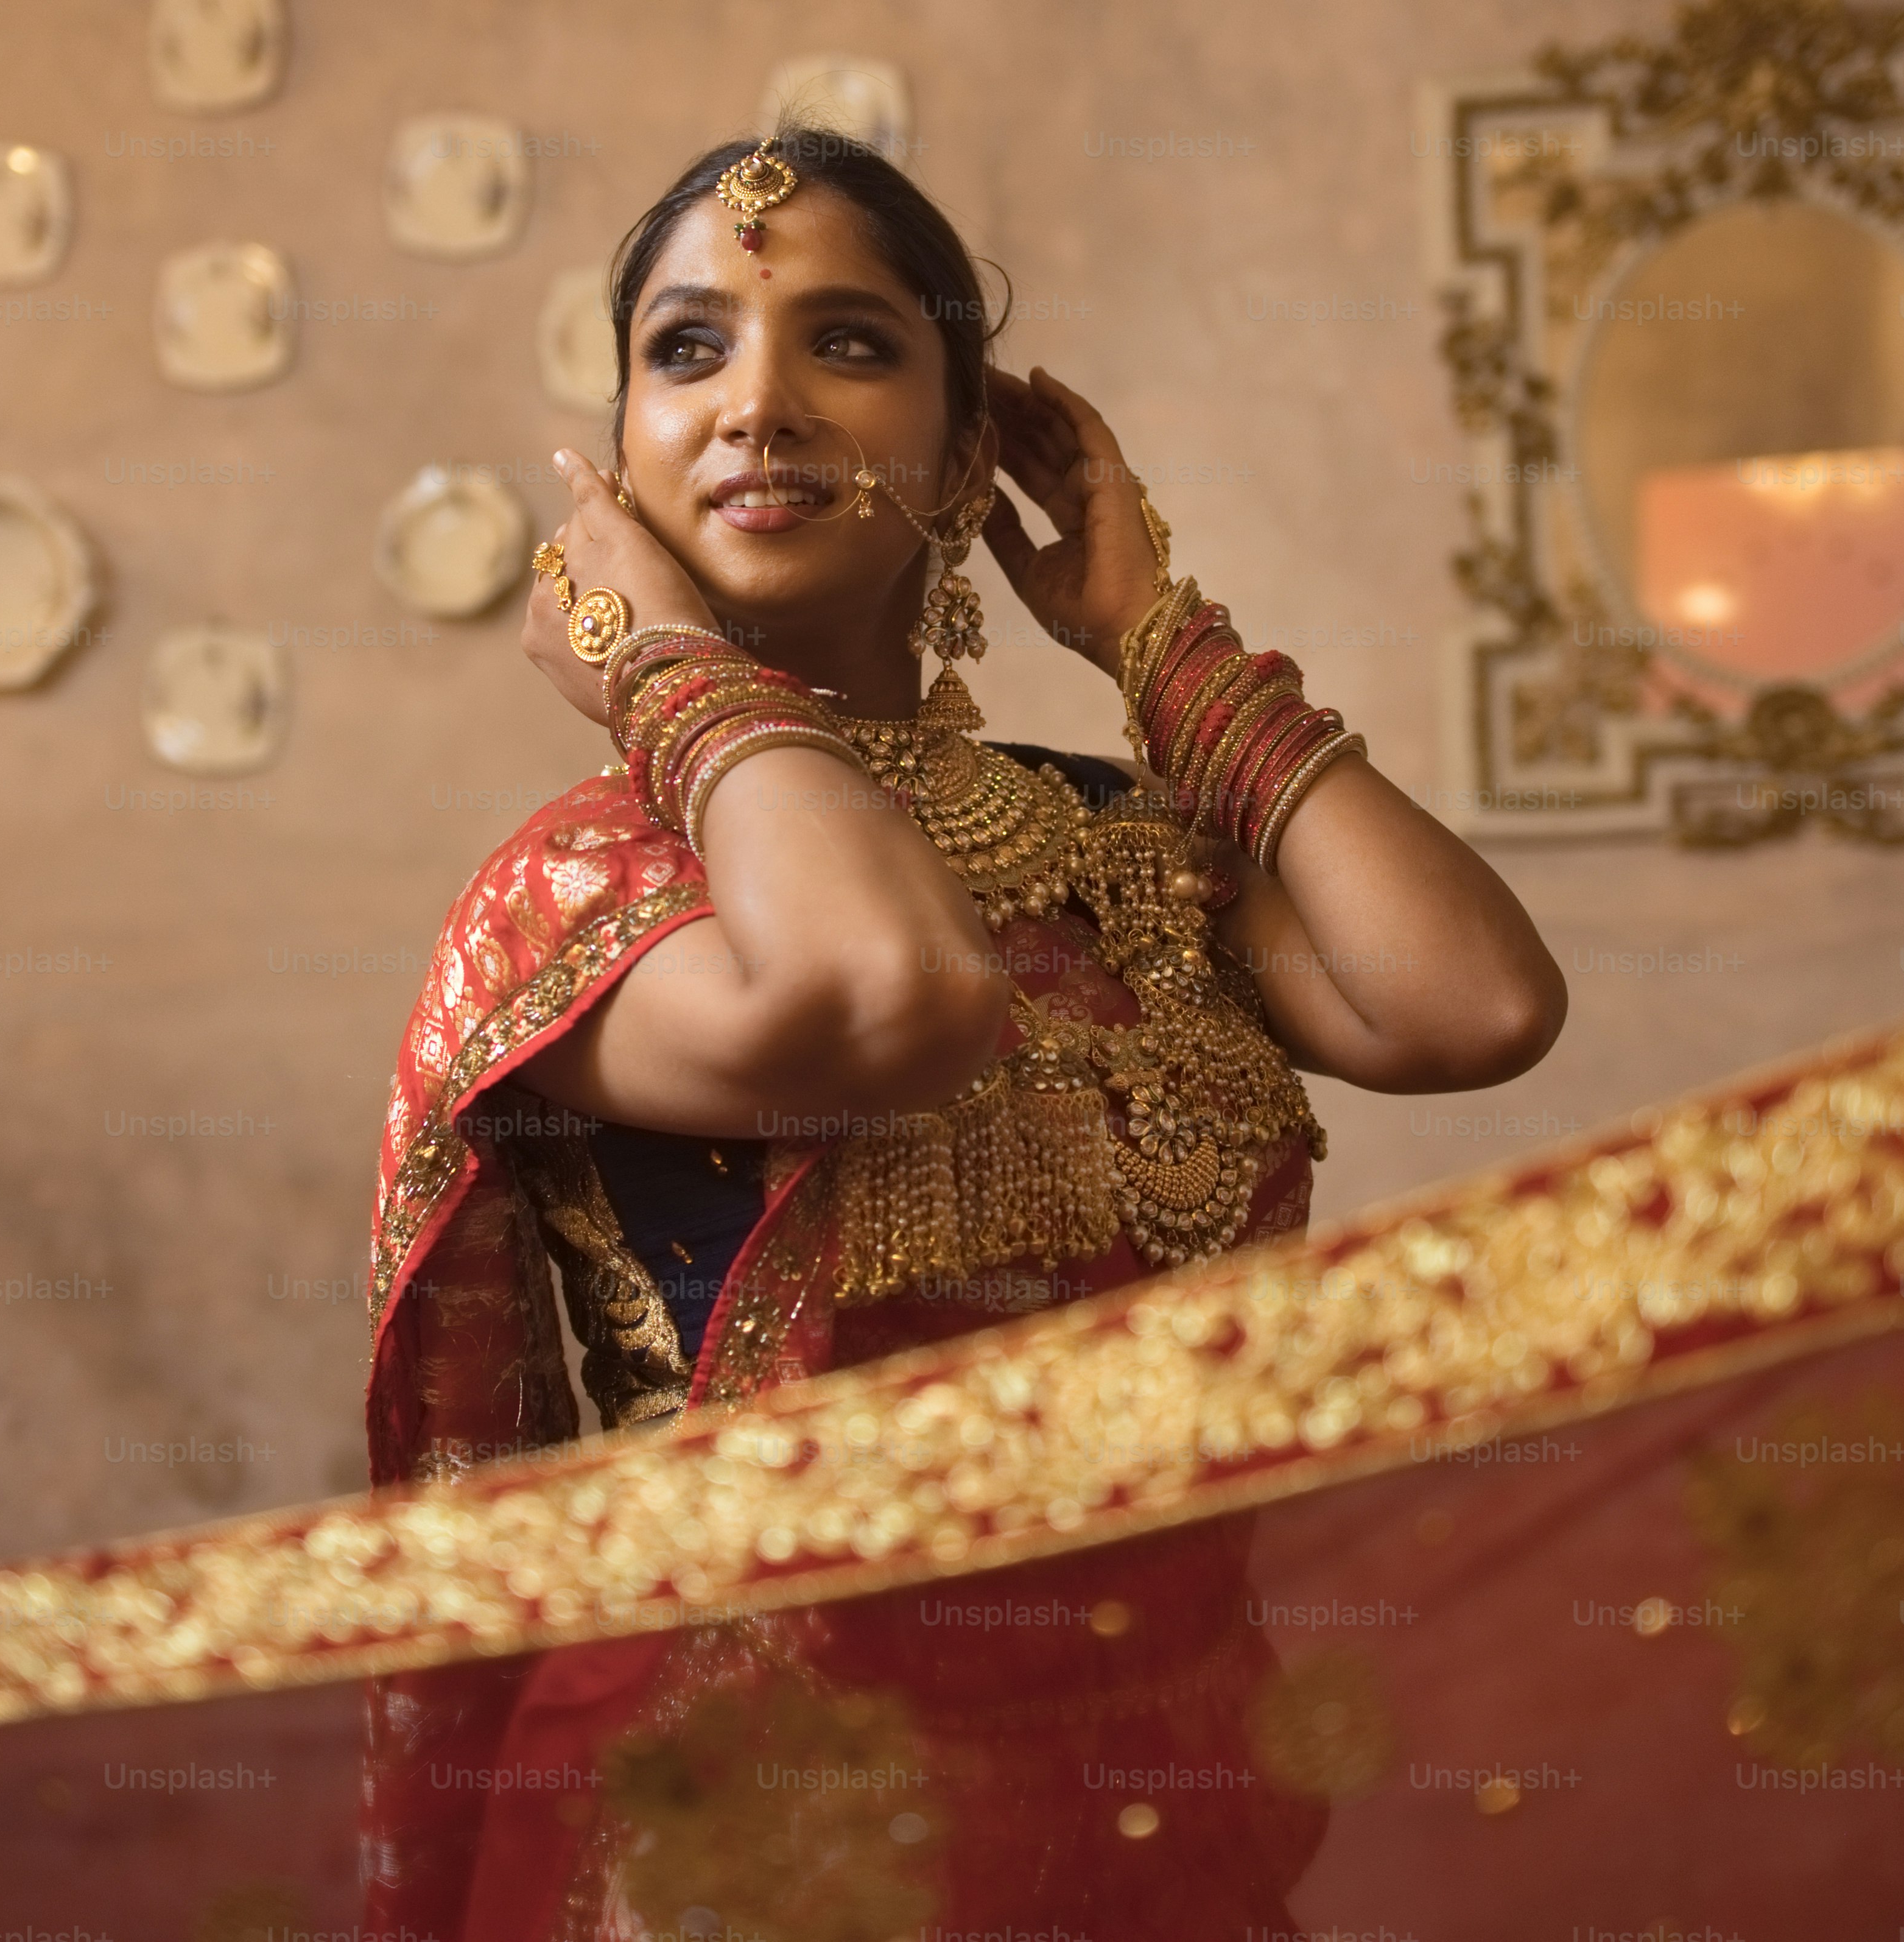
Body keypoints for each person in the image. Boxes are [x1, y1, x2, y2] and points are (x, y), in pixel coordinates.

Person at [362, 127, 1564, 1938]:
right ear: (620, 454)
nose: (756, 404)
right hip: (761, 1862)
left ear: (968, 443)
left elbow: (1471, 1003)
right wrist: (672, 677)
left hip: (1164, 1825)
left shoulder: (1114, 843)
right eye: (686, 351)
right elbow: (890, 996)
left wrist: (1151, 633)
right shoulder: (595, 878)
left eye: (846, 343)